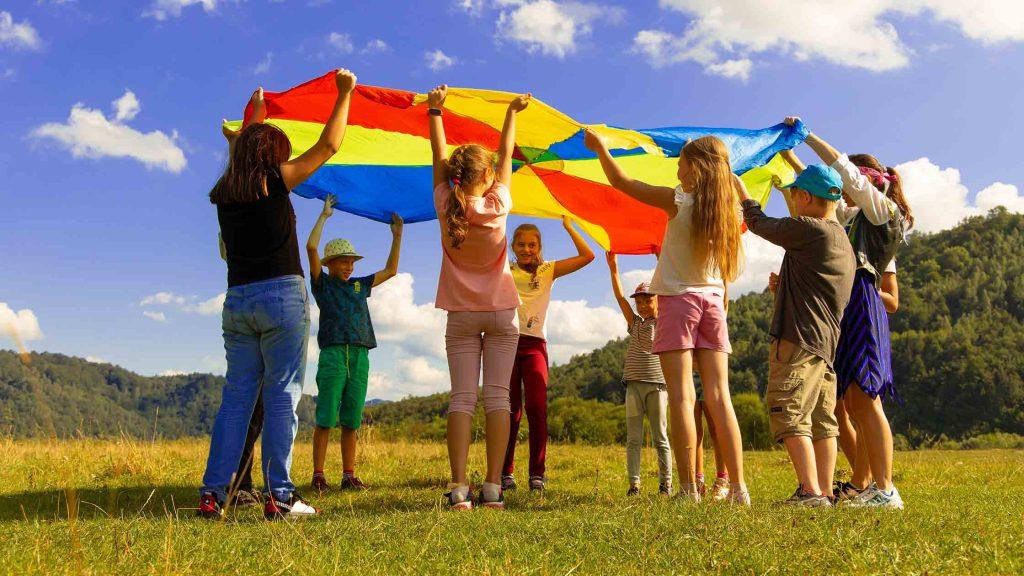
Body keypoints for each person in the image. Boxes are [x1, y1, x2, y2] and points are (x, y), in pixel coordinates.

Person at [199, 69, 357, 520]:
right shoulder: (275, 180)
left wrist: (257, 113)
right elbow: (329, 145)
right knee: (283, 395)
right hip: (281, 299)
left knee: (236, 399)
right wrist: (343, 94)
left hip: (238, 302)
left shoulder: (226, 191)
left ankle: (213, 495)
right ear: (271, 156)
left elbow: (240, 153)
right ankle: (281, 496)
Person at [584, 130, 750, 504]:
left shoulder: (679, 201)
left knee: (681, 397)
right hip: (713, 302)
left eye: (682, 162)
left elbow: (621, 181)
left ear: (695, 168)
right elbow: (739, 191)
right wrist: (729, 176)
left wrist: (601, 149)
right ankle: (739, 488)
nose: (677, 167)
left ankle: (689, 489)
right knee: (721, 397)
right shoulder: (731, 211)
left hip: (678, 301)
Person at [797, 117, 914, 509]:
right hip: (851, 304)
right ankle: (872, 488)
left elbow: (842, 173)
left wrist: (807, 136)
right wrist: (791, 162)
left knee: (866, 400)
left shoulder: (882, 211)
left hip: (864, 300)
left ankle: (885, 489)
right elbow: (827, 195)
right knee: (854, 400)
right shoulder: (856, 218)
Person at [428, 84, 530, 510]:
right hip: (502, 313)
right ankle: (492, 488)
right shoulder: (499, 204)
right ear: (487, 177)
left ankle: (457, 488)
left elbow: (437, 158)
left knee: (462, 399)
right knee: (499, 399)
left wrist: (436, 111)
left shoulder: (444, 202)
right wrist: (512, 112)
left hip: (461, 316)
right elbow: (508, 155)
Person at [741, 160, 856, 507]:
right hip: (824, 344)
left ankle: (809, 491)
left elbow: (759, 223)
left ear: (805, 196)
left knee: (788, 409)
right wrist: (786, 288)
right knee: (822, 420)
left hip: (798, 339)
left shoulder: (813, 229)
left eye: (794, 196)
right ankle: (822, 492)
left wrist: (741, 193)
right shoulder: (841, 241)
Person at [307, 195, 403, 492]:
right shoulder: (322, 285)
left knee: (351, 420)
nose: (349, 266)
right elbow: (311, 248)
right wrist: (324, 216)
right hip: (334, 354)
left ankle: (349, 475)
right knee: (325, 418)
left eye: (351, 262)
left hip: (360, 355)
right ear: (331, 264)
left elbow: (391, 271)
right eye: (343, 262)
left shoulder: (360, 285)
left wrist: (397, 236)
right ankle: (319, 475)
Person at [501, 218, 594, 492]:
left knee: (537, 408)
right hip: (506, 343)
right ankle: (506, 472)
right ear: (513, 246)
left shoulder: (548, 270)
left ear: (539, 246)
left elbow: (587, 256)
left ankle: (537, 474)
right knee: (509, 412)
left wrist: (569, 226)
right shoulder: (505, 269)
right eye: (521, 244)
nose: (526, 249)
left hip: (535, 347)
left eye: (532, 244)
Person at [606, 254, 672, 497]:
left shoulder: (665, 321)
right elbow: (620, 298)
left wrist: (661, 258)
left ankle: (666, 484)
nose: (643, 305)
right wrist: (614, 269)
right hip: (633, 387)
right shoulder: (634, 323)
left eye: (648, 300)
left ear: (658, 300)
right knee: (633, 438)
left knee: (660, 437)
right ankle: (634, 485)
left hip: (657, 387)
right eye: (640, 302)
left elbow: (669, 285)